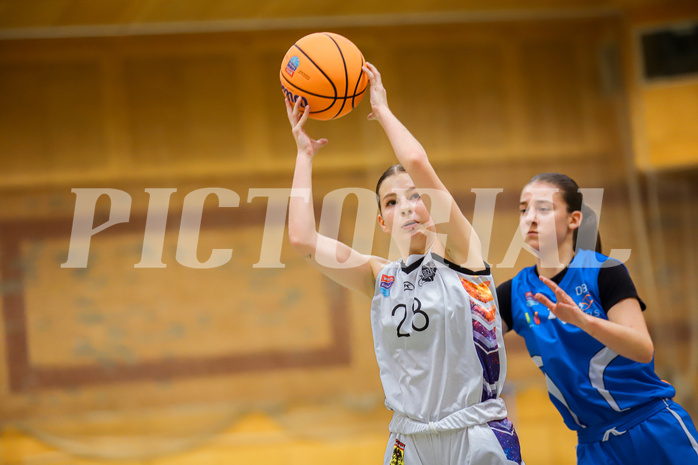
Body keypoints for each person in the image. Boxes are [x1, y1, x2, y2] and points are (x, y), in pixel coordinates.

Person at [286, 62, 523, 465]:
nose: (407, 208)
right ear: (382, 220)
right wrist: (304, 154)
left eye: (415, 196)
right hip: (408, 442)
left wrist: (382, 110)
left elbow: (416, 160)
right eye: (392, 203)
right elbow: (302, 240)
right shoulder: (381, 278)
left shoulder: (462, 254)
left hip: (474, 434)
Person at [496, 172, 698, 464]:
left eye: (543, 208)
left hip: (652, 427)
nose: (530, 218)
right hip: (594, 446)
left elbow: (643, 348)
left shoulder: (604, 271)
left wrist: (584, 321)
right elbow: (468, 342)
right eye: (523, 209)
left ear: (573, 219)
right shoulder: (513, 293)